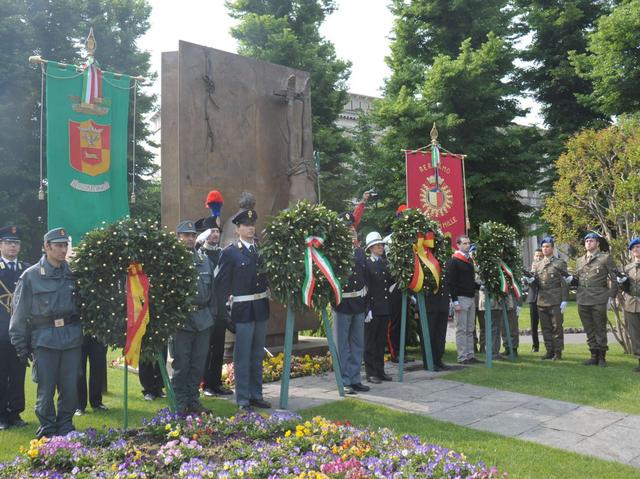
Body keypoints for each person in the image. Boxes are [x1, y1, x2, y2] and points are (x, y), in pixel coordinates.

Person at [9, 227, 82, 438]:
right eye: (58, 245)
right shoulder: (30, 276)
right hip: (44, 340)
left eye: (65, 245)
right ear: (46, 247)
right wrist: (21, 347)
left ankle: (67, 427)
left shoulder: (72, 273)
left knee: (69, 388)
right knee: (46, 390)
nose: (63, 250)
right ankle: (48, 430)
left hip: (71, 338)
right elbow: (19, 315)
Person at [215, 208, 271, 410]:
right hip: (243, 310)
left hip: (260, 308)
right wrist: (225, 313)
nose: (250, 228)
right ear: (237, 229)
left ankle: (256, 394)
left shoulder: (260, 250)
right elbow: (221, 285)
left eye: (252, 225)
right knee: (243, 355)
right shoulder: (230, 253)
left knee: (257, 354)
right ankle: (243, 399)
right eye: (246, 225)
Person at [170, 220, 216, 414]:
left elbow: (213, 291)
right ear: (178, 237)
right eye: (185, 235)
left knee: (198, 364)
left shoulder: (204, 260)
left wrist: (211, 316)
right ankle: (180, 403)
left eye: (192, 235)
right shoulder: (172, 262)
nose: (189, 238)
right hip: (182, 321)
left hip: (203, 320)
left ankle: (193, 400)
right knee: (181, 365)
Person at [332, 212, 370, 395]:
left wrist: (367, 303)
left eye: (352, 227)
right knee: (342, 346)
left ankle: (355, 378)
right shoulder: (335, 252)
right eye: (347, 228)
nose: (351, 231)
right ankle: (344, 380)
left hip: (358, 302)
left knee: (357, 344)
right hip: (342, 302)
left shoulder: (360, 251)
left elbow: (365, 278)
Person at [571, 232, 617, 367]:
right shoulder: (580, 260)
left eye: (591, 241)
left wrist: (611, 296)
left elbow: (614, 278)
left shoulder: (605, 258)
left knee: (600, 328)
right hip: (583, 298)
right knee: (589, 328)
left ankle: (602, 356)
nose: (589, 243)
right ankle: (593, 355)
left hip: (599, 298)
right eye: (587, 241)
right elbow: (577, 278)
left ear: (597, 243)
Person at [0, 226, 29, 430]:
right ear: (1, 245)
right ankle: (1, 415)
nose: (12, 246)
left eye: (16, 243)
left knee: (18, 373)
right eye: (9, 242)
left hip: (20, 332)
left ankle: (16, 412)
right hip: (0, 331)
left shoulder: (26, 270)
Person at [199, 226, 233, 396]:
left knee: (219, 347)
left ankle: (216, 383)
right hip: (206, 308)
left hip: (220, 308)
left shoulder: (222, 254)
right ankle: (205, 384)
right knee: (206, 348)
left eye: (218, 232)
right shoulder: (200, 253)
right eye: (211, 232)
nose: (215, 235)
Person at [529, 237, 568, 361]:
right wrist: (530, 281)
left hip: (555, 299)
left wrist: (565, 299)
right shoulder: (537, 264)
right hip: (542, 300)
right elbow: (535, 283)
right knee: (545, 327)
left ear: (552, 248)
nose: (545, 249)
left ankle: (558, 351)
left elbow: (565, 282)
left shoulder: (559, 263)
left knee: (556, 327)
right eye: (543, 247)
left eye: (547, 246)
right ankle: (549, 351)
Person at [363, 231, 393, 384]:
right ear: (371, 248)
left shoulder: (384, 263)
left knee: (381, 341)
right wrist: (367, 309)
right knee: (370, 342)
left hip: (383, 307)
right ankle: (370, 373)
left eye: (381, 245)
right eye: (378, 245)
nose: (381, 247)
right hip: (372, 309)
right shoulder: (367, 264)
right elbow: (366, 288)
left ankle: (380, 371)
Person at [446, 235, 480, 364]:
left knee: (470, 328)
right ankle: (462, 357)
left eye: (468, 243)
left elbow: (470, 281)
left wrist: (480, 286)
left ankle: (470, 355)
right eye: (465, 243)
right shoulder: (454, 261)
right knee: (462, 329)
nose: (467, 246)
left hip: (470, 297)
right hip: (460, 298)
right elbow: (451, 283)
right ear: (458, 245)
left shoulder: (469, 260)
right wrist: (455, 301)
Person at [617, 238, 640, 372]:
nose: (636, 250)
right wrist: (622, 282)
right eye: (633, 248)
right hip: (632, 304)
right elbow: (625, 288)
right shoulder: (627, 268)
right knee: (635, 335)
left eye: (638, 247)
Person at [423, 265, 451, 371]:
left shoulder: (443, 264)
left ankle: (438, 359)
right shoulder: (427, 262)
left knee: (440, 335)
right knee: (430, 334)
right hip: (431, 304)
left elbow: (447, 283)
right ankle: (429, 362)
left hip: (442, 304)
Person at [75, 334, 108, 415]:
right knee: (79, 371)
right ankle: (79, 405)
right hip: (79, 334)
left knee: (98, 368)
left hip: (97, 333)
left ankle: (96, 402)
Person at [527, 249, 543, 352]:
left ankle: (550, 346)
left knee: (546, 324)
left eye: (540, 256)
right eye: (536, 256)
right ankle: (535, 345)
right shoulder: (531, 270)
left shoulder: (544, 268)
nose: (538, 258)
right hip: (533, 299)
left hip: (543, 298)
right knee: (533, 324)